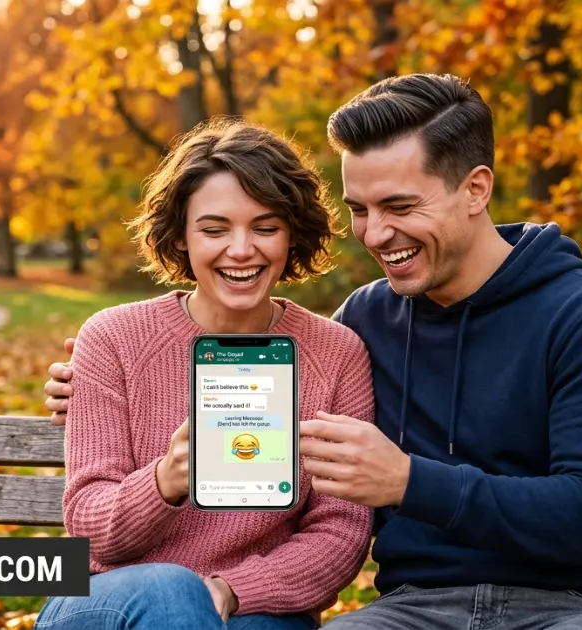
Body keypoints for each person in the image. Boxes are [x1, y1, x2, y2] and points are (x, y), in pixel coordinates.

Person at [44, 73, 582, 630]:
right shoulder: (369, 320)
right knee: (175, 598)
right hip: (412, 609)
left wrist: (409, 482)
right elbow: (94, 514)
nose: (374, 233)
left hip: (575, 607)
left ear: (476, 189)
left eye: (398, 206)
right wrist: (102, 395)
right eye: (360, 210)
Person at [34, 119, 376, 630]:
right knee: (172, 590)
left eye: (265, 227)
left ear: (292, 235)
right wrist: (164, 482)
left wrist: (231, 589)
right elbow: (89, 529)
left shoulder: (336, 354)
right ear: (181, 237)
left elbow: (339, 534)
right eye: (214, 230)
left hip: (256, 608)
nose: (241, 250)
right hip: (110, 601)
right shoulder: (114, 338)